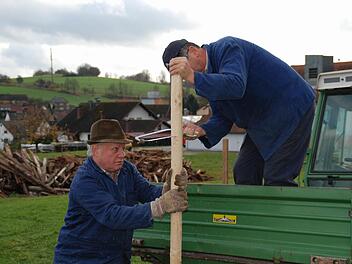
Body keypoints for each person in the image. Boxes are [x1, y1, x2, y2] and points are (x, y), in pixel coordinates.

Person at [162, 36, 316, 186]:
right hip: (263, 120)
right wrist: (202, 130)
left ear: (194, 51)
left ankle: (283, 210)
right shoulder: (207, 78)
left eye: (184, 68)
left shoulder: (227, 48)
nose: (185, 77)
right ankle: (251, 212)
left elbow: (235, 85)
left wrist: (192, 76)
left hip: (291, 107)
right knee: (244, 172)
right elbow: (223, 116)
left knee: (277, 177)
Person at [54, 119, 188, 263]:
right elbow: (112, 215)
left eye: (123, 148)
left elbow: (147, 192)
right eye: (115, 149)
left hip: (115, 256)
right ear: (95, 150)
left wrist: (167, 190)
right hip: (82, 258)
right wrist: (160, 206)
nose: (122, 154)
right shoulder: (85, 180)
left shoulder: (126, 170)